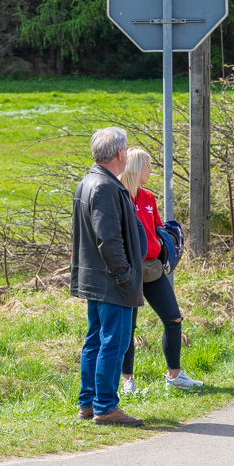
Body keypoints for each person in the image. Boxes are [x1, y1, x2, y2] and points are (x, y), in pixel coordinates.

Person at [70, 127, 146, 427]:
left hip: (95, 278)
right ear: (119, 153)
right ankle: (105, 406)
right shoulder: (104, 186)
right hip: (111, 280)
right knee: (113, 342)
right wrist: (126, 275)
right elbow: (108, 239)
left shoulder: (87, 182)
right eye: (125, 149)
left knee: (95, 340)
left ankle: (88, 403)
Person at [118, 149, 203, 392]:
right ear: (135, 167)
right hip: (129, 272)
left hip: (153, 269)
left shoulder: (148, 197)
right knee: (128, 327)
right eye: (148, 166)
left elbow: (157, 228)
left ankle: (174, 376)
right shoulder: (119, 196)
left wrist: (163, 247)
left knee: (173, 318)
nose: (151, 170)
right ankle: (127, 382)